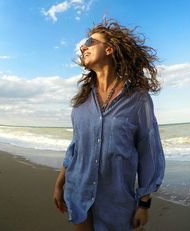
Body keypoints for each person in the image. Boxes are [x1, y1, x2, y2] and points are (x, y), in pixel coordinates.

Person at [53, 18, 165, 231]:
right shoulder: (81, 102)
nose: (83, 46)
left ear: (109, 49)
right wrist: (59, 185)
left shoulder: (138, 99)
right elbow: (75, 148)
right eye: (83, 44)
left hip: (116, 201)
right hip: (78, 192)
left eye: (89, 41)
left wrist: (144, 203)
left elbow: (148, 150)